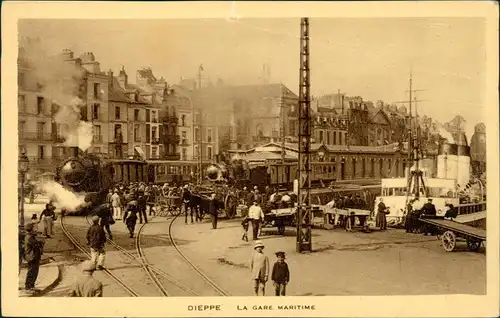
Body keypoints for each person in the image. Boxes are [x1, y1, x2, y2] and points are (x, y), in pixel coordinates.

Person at [23, 223, 44, 293]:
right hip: (32, 257)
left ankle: (31, 286)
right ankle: (28, 287)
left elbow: (38, 244)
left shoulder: (31, 237)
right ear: (31, 230)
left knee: (35, 272)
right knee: (31, 272)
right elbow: (37, 245)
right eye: (34, 229)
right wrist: (41, 242)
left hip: (34, 257)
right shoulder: (29, 237)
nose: (36, 230)